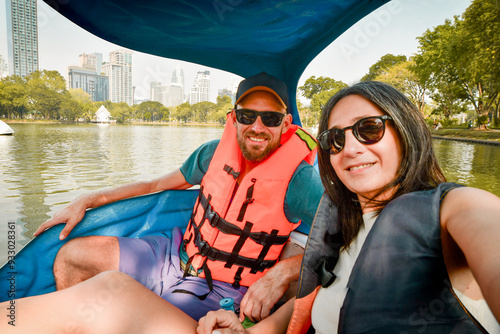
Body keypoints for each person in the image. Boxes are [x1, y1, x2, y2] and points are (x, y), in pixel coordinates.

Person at [196, 81, 500, 333]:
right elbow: (321, 299)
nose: (351, 149)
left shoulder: (454, 208)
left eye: (369, 129)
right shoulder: (343, 223)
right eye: (336, 138)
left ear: (405, 132)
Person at [32, 72, 323, 322]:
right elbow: (154, 184)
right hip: (172, 257)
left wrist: (282, 273)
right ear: (234, 118)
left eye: (270, 118)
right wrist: (89, 198)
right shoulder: (211, 154)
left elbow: (345, 237)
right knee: (72, 257)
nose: (258, 127)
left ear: (285, 124)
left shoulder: (301, 181)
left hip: (229, 290)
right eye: (248, 115)